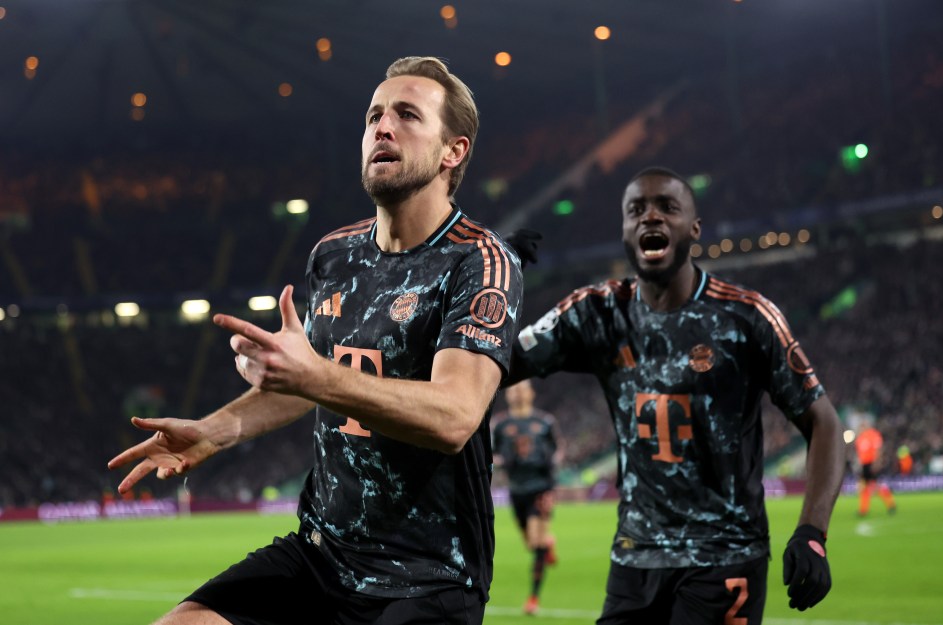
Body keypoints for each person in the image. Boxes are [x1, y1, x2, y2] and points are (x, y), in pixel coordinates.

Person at [107, 56, 523, 625]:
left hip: (429, 576)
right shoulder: (333, 254)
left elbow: (455, 416)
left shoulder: (479, 260)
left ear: (454, 151)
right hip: (320, 557)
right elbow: (311, 386)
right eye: (374, 115)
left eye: (406, 115)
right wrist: (215, 430)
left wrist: (315, 375)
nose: (382, 127)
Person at [506, 167, 846, 623]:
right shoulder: (597, 311)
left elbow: (822, 421)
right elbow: (493, 360)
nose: (651, 217)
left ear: (694, 228)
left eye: (667, 207)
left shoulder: (746, 317)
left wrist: (812, 530)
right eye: (636, 210)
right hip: (634, 558)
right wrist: (488, 270)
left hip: (723, 558)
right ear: (625, 231)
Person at [492, 379, 564, 615]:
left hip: (541, 488)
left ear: (531, 393)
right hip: (516, 489)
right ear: (508, 395)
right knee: (531, 544)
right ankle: (547, 543)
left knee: (536, 542)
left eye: (523, 389)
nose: (518, 394)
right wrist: (503, 462)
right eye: (514, 390)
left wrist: (551, 461)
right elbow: (492, 454)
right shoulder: (501, 425)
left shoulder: (544, 422)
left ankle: (533, 598)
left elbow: (558, 449)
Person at [854, 418, 896, 516]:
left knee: (873, 487)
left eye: (863, 425)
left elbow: (878, 450)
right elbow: (860, 454)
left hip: (872, 464)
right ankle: (864, 509)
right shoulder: (860, 438)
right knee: (864, 487)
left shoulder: (873, 435)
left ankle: (890, 504)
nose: (861, 427)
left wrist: (877, 463)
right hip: (864, 465)